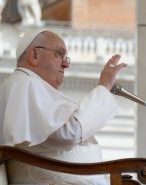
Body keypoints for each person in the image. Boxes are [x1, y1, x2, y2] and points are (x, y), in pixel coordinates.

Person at [0, 29, 127, 184]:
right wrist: (104, 86)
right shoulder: (24, 84)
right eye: (59, 54)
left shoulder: (26, 84)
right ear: (34, 55)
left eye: (66, 57)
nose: (66, 63)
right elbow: (68, 134)